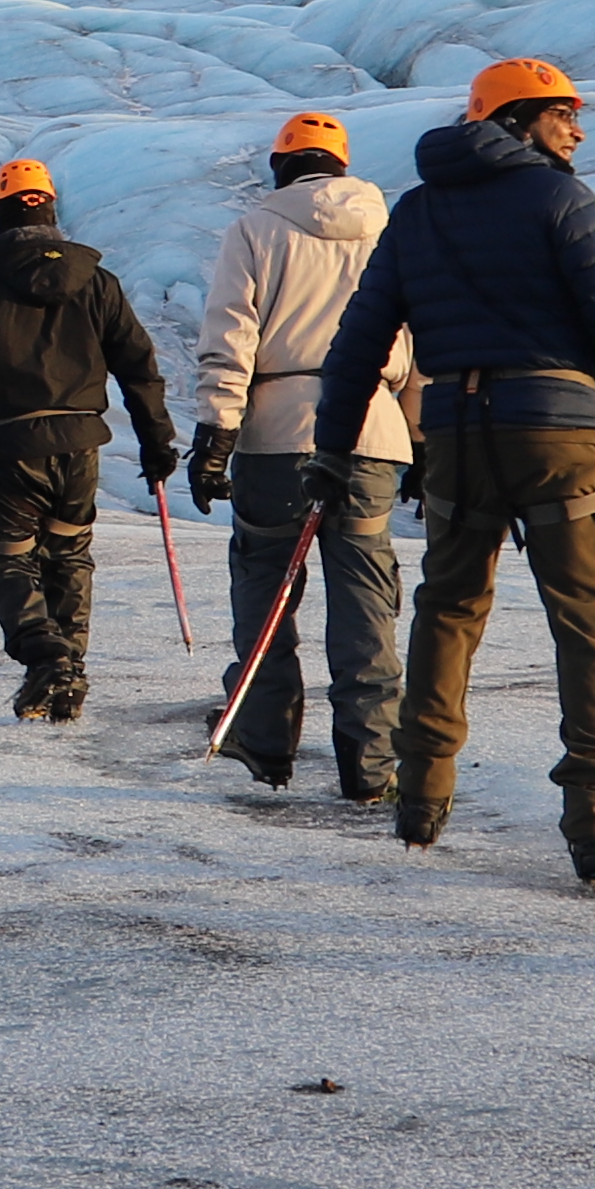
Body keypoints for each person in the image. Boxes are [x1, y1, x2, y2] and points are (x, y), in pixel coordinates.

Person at [308, 60, 595, 885]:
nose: (577, 129)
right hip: (559, 436)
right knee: (586, 620)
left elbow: (361, 339)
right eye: (565, 113)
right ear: (522, 120)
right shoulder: (560, 200)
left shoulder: (419, 213)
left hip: (460, 437)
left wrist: (332, 447)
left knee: (449, 607)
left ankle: (422, 795)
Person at [0, 158, 184, 723]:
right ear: (52, 208)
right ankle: (69, 675)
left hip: (8, 444)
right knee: (68, 555)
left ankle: (46, 656)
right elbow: (138, 364)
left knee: (8, 559)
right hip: (80, 443)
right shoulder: (98, 282)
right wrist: (157, 438)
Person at [188, 111, 417, 795]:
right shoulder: (390, 229)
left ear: (280, 166)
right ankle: (371, 764)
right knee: (366, 595)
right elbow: (420, 336)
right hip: (374, 432)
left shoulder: (255, 229)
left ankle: (263, 739)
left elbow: (231, 333)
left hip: (276, 434)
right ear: (341, 166)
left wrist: (215, 433)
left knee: (266, 581)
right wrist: (421, 434)